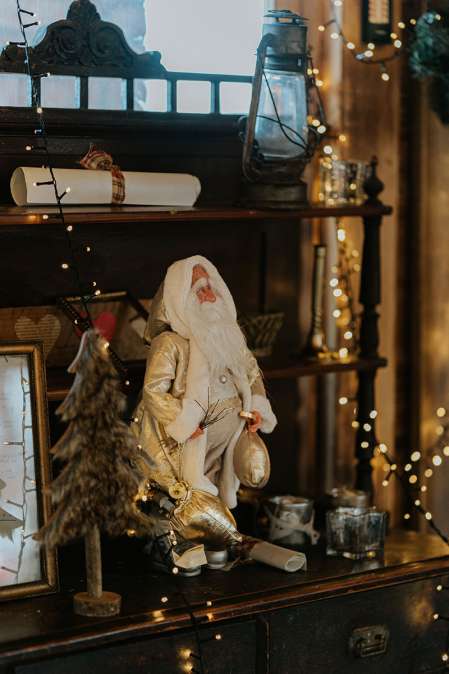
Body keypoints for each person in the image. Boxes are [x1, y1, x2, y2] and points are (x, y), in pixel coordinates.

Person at [133, 255, 277, 512]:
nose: (210, 296)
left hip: (225, 442)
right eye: (199, 290)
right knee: (186, 499)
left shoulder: (228, 336)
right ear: (180, 298)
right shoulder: (170, 344)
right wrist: (185, 421)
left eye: (210, 287)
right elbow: (153, 391)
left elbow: (251, 372)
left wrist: (256, 406)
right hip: (186, 445)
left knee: (219, 487)